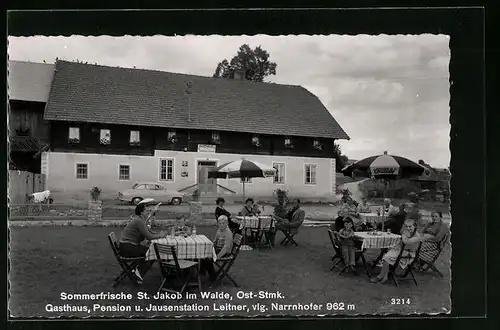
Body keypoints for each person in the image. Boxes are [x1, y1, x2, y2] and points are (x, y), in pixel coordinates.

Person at [119, 202, 166, 282]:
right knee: (153, 252)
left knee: (151, 250)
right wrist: (160, 235)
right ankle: (138, 274)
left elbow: (148, 231)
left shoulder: (139, 220)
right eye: (147, 211)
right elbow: (149, 236)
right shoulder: (139, 221)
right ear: (141, 212)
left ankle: (137, 271)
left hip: (126, 246)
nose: (148, 212)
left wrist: (159, 234)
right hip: (128, 248)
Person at [370, 219, 421, 284]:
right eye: (406, 226)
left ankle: (380, 276)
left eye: (410, 226)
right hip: (402, 251)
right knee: (387, 255)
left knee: (387, 256)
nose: (408, 228)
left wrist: (403, 235)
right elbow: (402, 234)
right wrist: (404, 234)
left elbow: (406, 241)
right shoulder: (408, 232)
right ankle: (384, 276)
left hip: (409, 254)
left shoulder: (417, 236)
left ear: (415, 226)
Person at [200, 215, 234, 282]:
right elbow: (215, 241)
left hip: (225, 253)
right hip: (217, 249)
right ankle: (202, 271)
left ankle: (212, 275)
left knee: (208, 258)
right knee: (202, 253)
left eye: (223, 223)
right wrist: (210, 247)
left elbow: (226, 248)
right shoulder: (219, 230)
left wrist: (217, 256)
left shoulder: (228, 233)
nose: (221, 225)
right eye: (220, 223)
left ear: (227, 223)